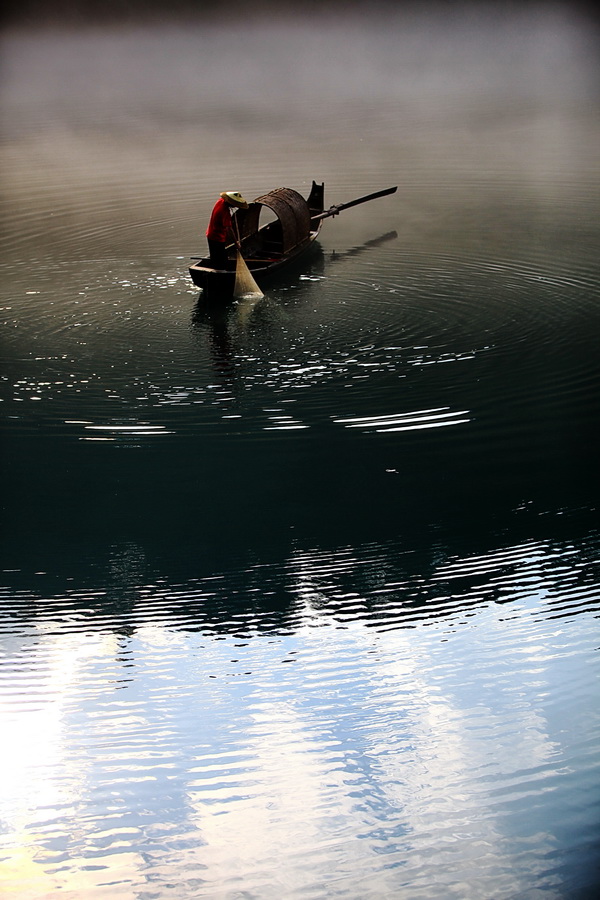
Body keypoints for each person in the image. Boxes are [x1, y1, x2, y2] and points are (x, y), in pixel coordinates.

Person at [206, 191, 249, 270]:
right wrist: (236, 243)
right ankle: (220, 272)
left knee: (215, 257)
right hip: (217, 237)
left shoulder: (220, 201)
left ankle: (216, 269)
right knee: (221, 260)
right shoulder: (225, 212)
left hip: (210, 233)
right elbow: (229, 229)